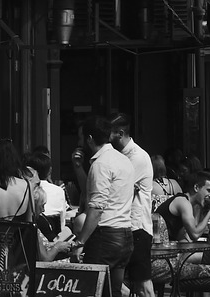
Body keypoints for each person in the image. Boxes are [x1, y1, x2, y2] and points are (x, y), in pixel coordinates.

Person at [74, 114, 135, 297]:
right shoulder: (124, 160)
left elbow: (97, 207)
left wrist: (80, 241)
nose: (79, 142)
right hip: (125, 234)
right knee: (113, 292)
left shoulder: (101, 164)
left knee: (93, 290)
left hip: (106, 236)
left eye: (80, 137)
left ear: (89, 139)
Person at [110, 112, 154, 297]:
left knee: (143, 285)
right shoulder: (116, 155)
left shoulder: (137, 157)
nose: (106, 138)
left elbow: (115, 189)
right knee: (116, 282)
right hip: (123, 227)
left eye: (109, 133)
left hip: (137, 228)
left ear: (120, 133)